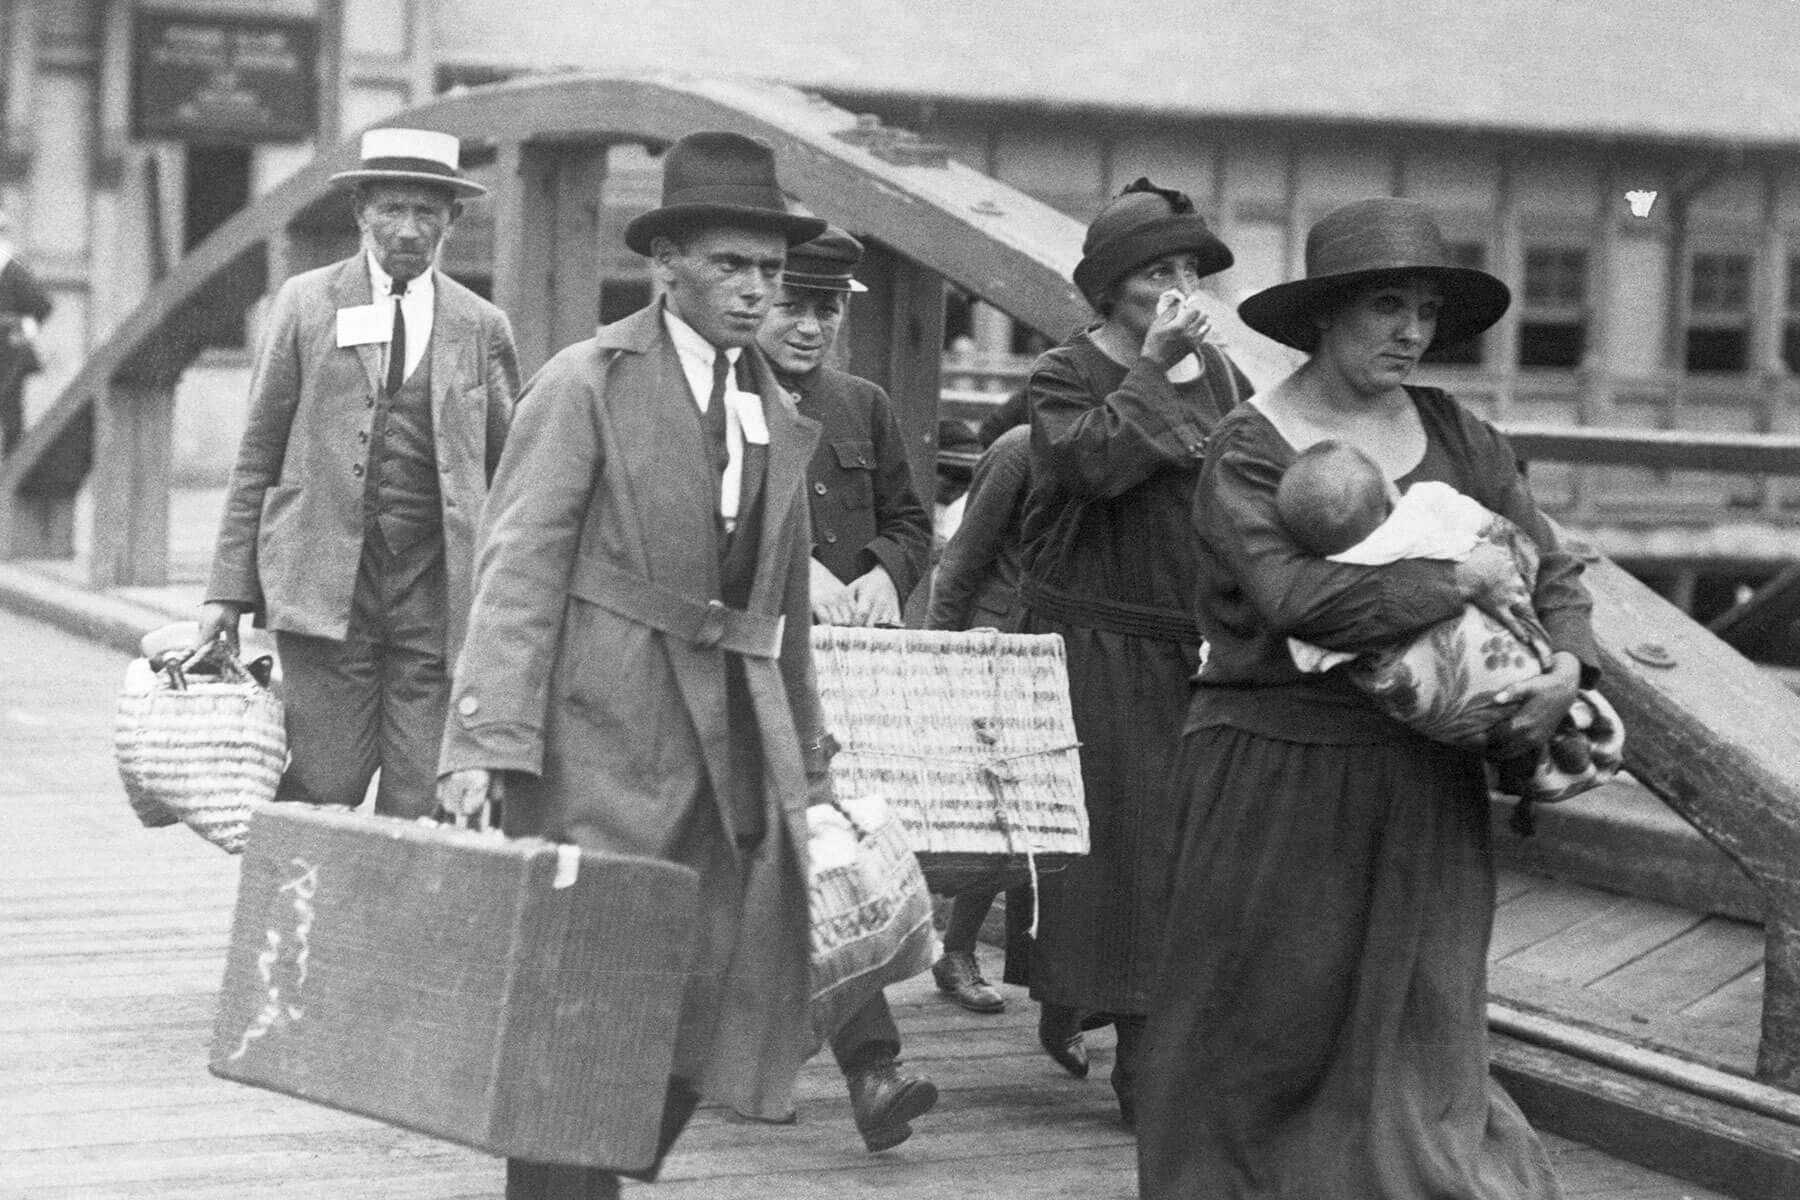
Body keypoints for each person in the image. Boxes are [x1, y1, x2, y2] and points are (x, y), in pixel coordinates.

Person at [1135, 197, 1596, 1199]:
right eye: (1388, 306)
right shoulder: (1251, 447)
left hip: (1420, 776)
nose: (1412, 332)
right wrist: (1457, 580)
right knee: (1265, 1032)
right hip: (1278, 770)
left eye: (1426, 311)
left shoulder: (1459, 433)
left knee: (1421, 1024)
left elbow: (1549, 564)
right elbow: (1297, 601)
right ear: (1324, 314)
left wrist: (1567, 664)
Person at [434, 130, 840, 1200]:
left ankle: (597, 1171)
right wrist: (483, 743)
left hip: (728, 752)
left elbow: (785, 611)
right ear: (666, 264)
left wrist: (814, 773)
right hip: (601, 738)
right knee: (580, 1002)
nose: (756, 291)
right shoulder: (587, 382)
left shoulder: (777, 409)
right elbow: (517, 567)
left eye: (769, 271)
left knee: (703, 1001)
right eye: (730, 266)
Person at [1013, 177, 1252, 1126]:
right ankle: (1129, 1055)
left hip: (1188, 645)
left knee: (1179, 856)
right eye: (1158, 273)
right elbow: (1092, 465)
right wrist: (1154, 367)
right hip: (1094, 643)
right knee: (1118, 856)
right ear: (1110, 289)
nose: (1180, 288)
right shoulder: (1064, 372)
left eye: (1190, 269)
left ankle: (1120, 1023)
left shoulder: (1222, 376)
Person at [200, 128, 518, 819]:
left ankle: (400, 893)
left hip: (434, 592)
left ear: (452, 219)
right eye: (391, 209)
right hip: (322, 582)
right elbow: (258, 452)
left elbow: (509, 470)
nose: (408, 229)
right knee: (325, 782)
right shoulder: (306, 303)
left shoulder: (481, 325)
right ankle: (303, 892)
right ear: (360, 212)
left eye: (426, 211)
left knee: (422, 793)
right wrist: (227, 589)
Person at [752, 224, 939, 1151]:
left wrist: (884, 574)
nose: (809, 325)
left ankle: (872, 1069)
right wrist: (796, 575)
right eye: (793, 304)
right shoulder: (719, 398)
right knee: (764, 861)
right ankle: (766, 1057)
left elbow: (912, 521)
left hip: (843, 688)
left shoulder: (863, 405)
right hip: (745, 671)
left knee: (828, 855)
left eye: (826, 309)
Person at [924, 413, 1033, 1015]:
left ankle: (963, 948)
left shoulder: (1115, 452)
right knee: (981, 806)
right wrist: (940, 658)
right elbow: (962, 561)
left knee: (1025, 811)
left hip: (1058, 649)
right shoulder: (1018, 451)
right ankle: (953, 947)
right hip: (993, 644)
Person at [0, 210, 53, 458]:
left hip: (11, 354)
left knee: (11, 412)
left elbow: (42, 306)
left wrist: (21, 332)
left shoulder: (13, 272)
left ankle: (12, 467)